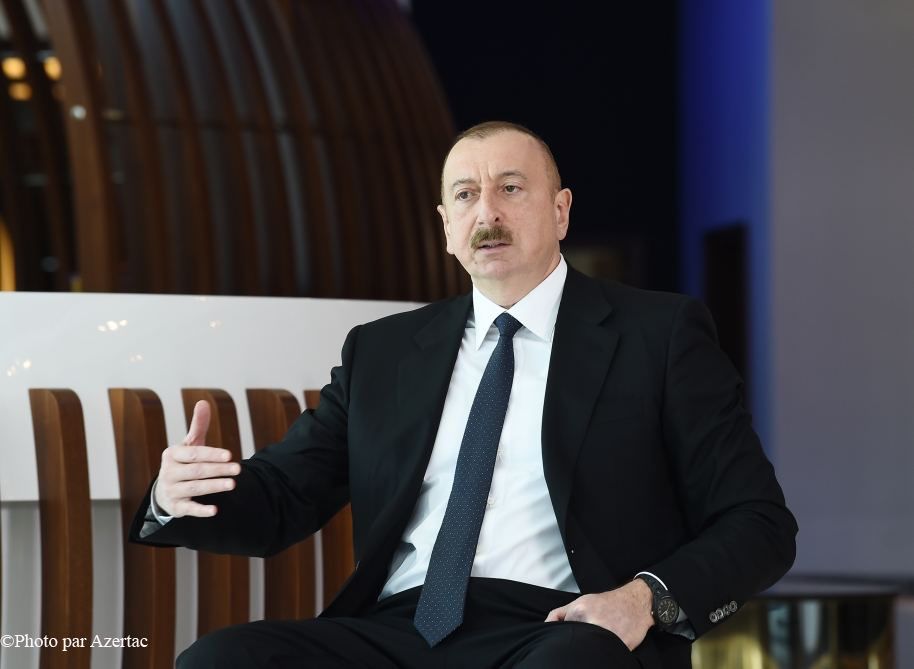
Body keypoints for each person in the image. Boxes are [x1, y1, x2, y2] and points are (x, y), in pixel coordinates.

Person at [131, 121, 797, 668]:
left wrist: (641, 600)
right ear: (446, 225)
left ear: (561, 211)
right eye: (466, 195)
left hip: (562, 627)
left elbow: (759, 522)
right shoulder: (384, 352)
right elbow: (283, 496)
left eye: (511, 188)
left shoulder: (658, 335)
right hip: (397, 629)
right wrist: (179, 494)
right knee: (221, 659)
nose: (488, 212)